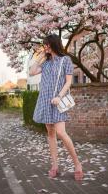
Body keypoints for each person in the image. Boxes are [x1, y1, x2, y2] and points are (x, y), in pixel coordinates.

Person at [29, 34, 83, 181]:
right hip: (45, 101)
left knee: (61, 132)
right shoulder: (45, 63)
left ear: (53, 44)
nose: (45, 47)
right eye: (44, 45)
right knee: (51, 134)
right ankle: (55, 165)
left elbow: (68, 82)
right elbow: (32, 72)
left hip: (58, 101)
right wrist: (40, 57)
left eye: (46, 44)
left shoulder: (65, 60)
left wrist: (59, 97)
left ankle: (77, 164)